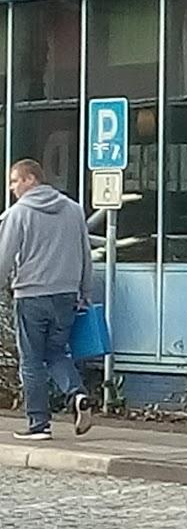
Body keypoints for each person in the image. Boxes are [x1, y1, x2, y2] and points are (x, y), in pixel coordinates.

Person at [0, 159, 93, 440]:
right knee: (55, 352)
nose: (12, 188)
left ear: (30, 179)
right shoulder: (74, 210)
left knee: (30, 360)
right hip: (66, 295)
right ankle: (77, 394)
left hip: (31, 295)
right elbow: (85, 255)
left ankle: (38, 423)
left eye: (15, 181)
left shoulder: (18, 214)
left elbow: (4, 257)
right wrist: (84, 293)